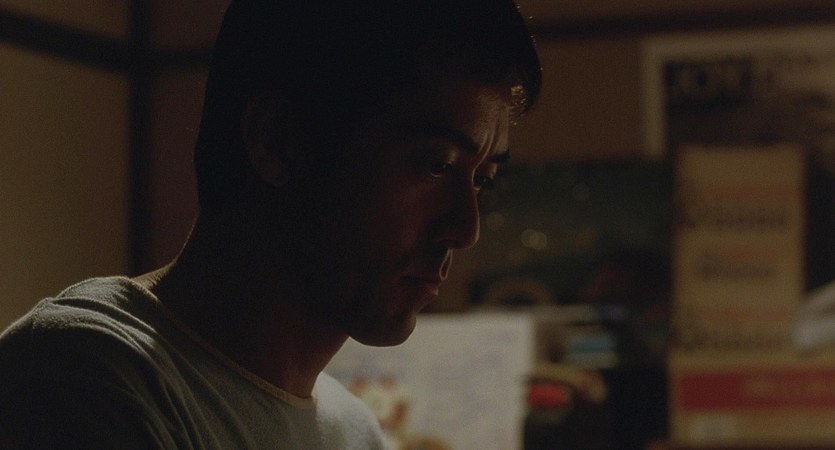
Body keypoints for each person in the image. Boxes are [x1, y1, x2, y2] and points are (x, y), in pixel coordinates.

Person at [0, 0, 541, 448]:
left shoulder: (353, 432)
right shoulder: (84, 380)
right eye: (436, 165)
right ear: (278, 142)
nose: (465, 228)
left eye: (482, 179)